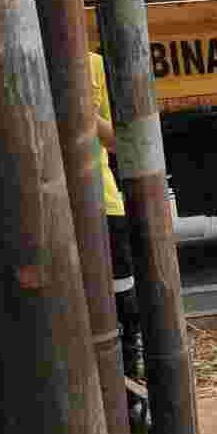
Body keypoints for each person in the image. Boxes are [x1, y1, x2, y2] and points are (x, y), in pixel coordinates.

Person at [88, 51, 144, 381]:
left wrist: (88, 117)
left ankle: (127, 383)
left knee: (123, 305)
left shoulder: (93, 65)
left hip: (104, 204)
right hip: (51, 210)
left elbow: (118, 141)